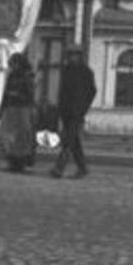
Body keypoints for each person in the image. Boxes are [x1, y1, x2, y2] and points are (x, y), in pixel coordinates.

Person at [50, 47, 97, 179]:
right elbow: (63, 91)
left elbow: (92, 91)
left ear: (80, 56)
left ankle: (59, 167)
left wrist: (83, 107)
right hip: (66, 110)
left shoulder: (86, 72)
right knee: (73, 140)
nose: (72, 58)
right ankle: (82, 167)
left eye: (74, 55)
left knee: (68, 139)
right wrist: (60, 106)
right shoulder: (67, 70)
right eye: (70, 55)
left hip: (77, 111)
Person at [0, 52, 37, 172]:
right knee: (8, 136)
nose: (12, 67)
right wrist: (1, 109)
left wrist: (19, 96)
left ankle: (21, 163)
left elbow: (30, 94)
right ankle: (12, 162)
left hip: (23, 109)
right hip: (10, 109)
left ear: (19, 64)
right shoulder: (11, 76)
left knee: (22, 137)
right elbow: (5, 94)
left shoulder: (27, 76)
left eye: (14, 64)